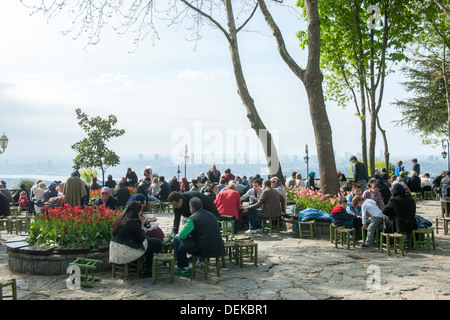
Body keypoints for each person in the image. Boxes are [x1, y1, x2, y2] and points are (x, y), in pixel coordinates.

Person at [173, 197, 225, 277]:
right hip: (217, 247)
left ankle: (184, 267)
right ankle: (201, 262)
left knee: (177, 240)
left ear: (192, 208)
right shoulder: (211, 215)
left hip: (203, 249)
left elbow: (182, 236)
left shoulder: (193, 218)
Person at [109, 201, 162, 277]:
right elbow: (141, 238)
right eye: (140, 211)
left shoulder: (121, 218)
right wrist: (143, 226)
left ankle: (137, 265)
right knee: (157, 243)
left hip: (115, 248)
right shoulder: (133, 221)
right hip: (126, 250)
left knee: (150, 241)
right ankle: (146, 268)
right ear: (137, 211)